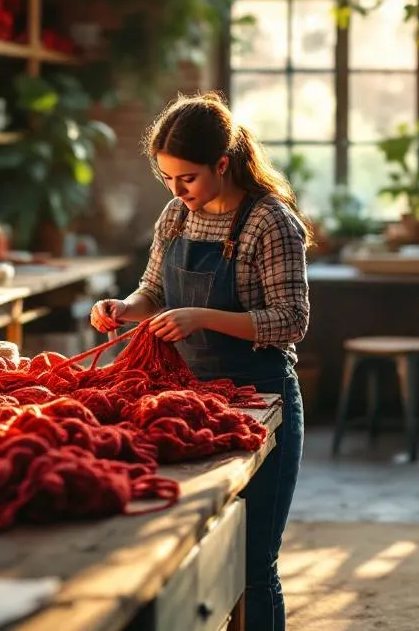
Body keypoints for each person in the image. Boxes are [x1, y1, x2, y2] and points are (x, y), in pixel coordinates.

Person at [90, 92, 310, 631]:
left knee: (254, 565)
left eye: (186, 178)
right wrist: (124, 308)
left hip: (261, 399)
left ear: (222, 163)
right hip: (185, 401)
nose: (176, 191)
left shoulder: (269, 223)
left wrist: (202, 316)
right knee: (188, 553)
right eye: (167, 179)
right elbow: (151, 292)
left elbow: (291, 320)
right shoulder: (174, 216)